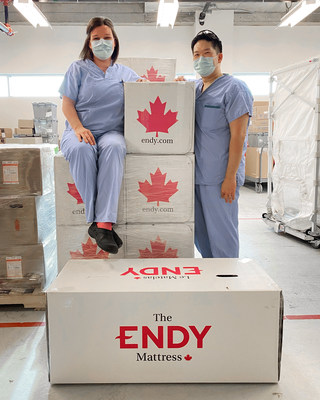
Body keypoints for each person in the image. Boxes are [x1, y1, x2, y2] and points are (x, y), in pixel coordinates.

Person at [59, 17, 141, 254]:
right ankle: (100, 223)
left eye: (107, 38)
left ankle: (101, 223)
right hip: (79, 129)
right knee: (82, 149)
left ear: (115, 42)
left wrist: (177, 82)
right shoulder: (78, 68)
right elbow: (67, 104)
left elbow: (147, 90)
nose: (102, 42)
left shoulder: (125, 72)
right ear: (89, 42)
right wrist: (78, 128)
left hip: (111, 132)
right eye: (96, 38)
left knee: (116, 148)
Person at [191, 30, 253, 258]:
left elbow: (239, 137)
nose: (201, 59)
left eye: (207, 53)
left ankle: (229, 285)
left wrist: (230, 178)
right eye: (196, 55)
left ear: (219, 57)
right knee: (202, 237)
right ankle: (214, 283)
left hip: (220, 179)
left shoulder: (234, 89)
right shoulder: (195, 89)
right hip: (197, 177)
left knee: (223, 239)